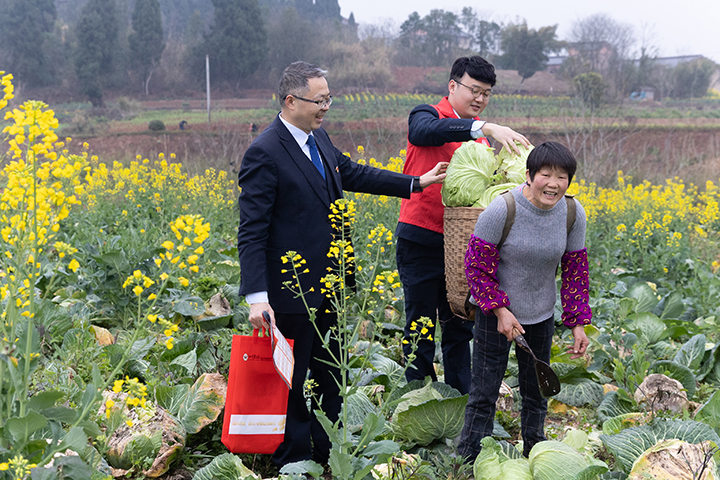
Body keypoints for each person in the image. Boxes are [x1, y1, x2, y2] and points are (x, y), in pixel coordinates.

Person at [237, 61, 448, 468]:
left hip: (330, 283)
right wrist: (257, 297)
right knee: (294, 382)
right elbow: (252, 231)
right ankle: (294, 462)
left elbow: (352, 172)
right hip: (290, 289)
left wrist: (416, 183)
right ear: (291, 100)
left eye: (329, 99)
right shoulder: (265, 152)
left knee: (330, 375)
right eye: (320, 100)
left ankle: (327, 453)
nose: (326, 107)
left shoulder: (318, 139)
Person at [396, 55, 531, 394]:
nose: (479, 99)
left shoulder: (482, 143)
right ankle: (418, 399)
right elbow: (424, 133)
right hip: (422, 237)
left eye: (486, 94)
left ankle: (461, 403)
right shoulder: (426, 115)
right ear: (452, 85)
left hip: (462, 246)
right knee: (420, 325)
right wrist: (483, 127)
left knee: (459, 325)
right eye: (474, 90)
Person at [457, 141, 591, 461]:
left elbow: (575, 272)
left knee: (536, 391)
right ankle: (469, 459)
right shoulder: (502, 209)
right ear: (530, 175)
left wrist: (577, 325)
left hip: (541, 314)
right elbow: (476, 268)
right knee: (485, 392)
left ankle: (535, 452)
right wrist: (501, 311)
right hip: (495, 314)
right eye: (546, 174)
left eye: (562, 177)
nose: (554, 184)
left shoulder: (572, 212)